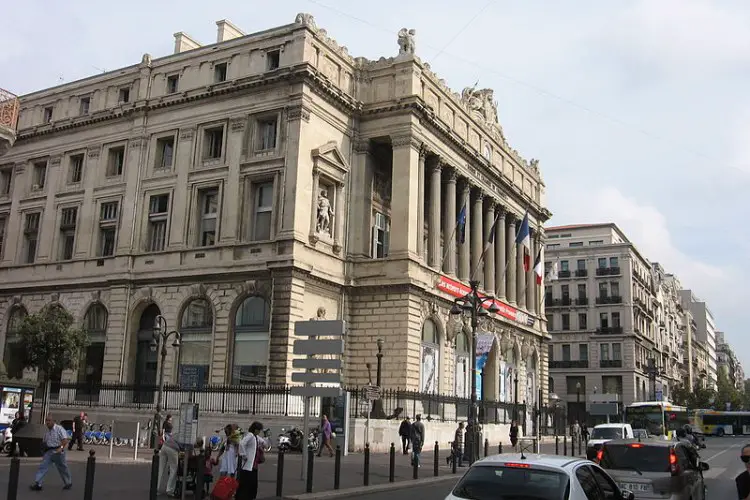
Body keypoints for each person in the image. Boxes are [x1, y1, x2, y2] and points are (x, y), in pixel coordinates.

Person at [30, 415, 73, 491]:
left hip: (58, 452)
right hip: (49, 452)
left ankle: (68, 483)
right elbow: (45, 442)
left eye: (49, 420)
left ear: (54, 421)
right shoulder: (47, 432)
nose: (47, 422)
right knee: (43, 466)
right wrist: (43, 449)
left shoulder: (59, 429)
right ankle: (38, 484)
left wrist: (61, 448)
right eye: (46, 420)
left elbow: (65, 440)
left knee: (62, 467)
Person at [237, 421, 268, 500]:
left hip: (253, 465)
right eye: (258, 430)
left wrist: (263, 444)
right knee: (247, 484)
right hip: (248, 466)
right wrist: (244, 455)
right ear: (255, 429)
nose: (259, 432)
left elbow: (264, 443)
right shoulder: (250, 435)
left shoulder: (255, 437)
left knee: (252, 485)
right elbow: (242, 443)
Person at [157, 420, 180, 498]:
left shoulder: (178, 433)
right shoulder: (188, 438)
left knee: (161, 468)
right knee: (173, 469)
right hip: (173, 449)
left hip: (165, 446)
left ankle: (156, 488)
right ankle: (169, 490)